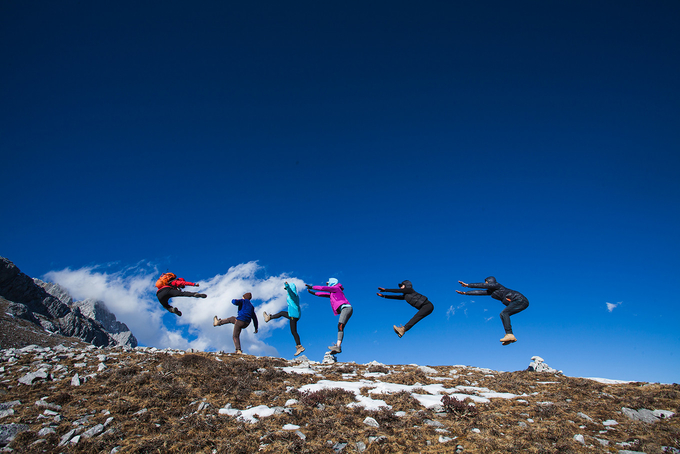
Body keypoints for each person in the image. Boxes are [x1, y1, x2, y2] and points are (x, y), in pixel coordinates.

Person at [456, 276, 529, 345]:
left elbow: (482, 286)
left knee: (504, 313)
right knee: (503, 314)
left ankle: (509, 334)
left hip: (520, 300)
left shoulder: (497, 285)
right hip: (519, 303)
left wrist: (468, 285)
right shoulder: (492, 292)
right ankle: (510, 336)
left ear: (490, 281)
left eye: (487, 282)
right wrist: (466, 293)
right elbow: (480, 292)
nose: (486, 284)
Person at [306, 278, 352, 354]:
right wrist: (313, 293)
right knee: (340, 326)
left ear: (332, 283)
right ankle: (337, 346)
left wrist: (312, 287)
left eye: (328, 283)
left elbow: (323, 288)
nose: (327, 284)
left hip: (346, 308)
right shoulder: (333, 292)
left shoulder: (336, 288)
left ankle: (338, 346)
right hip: (346, 309)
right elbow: (324, 294)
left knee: (340, 326)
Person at [263, 282, 305, 356]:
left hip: (293, 315)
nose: (286, 290)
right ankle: (269, 317)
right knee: (282, 313)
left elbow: (291, 292)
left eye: (287, 289)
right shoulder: (293, 296)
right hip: (293, 314)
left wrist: (287, 286)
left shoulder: (293, 295)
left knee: (293, 331)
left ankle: (299, 346)